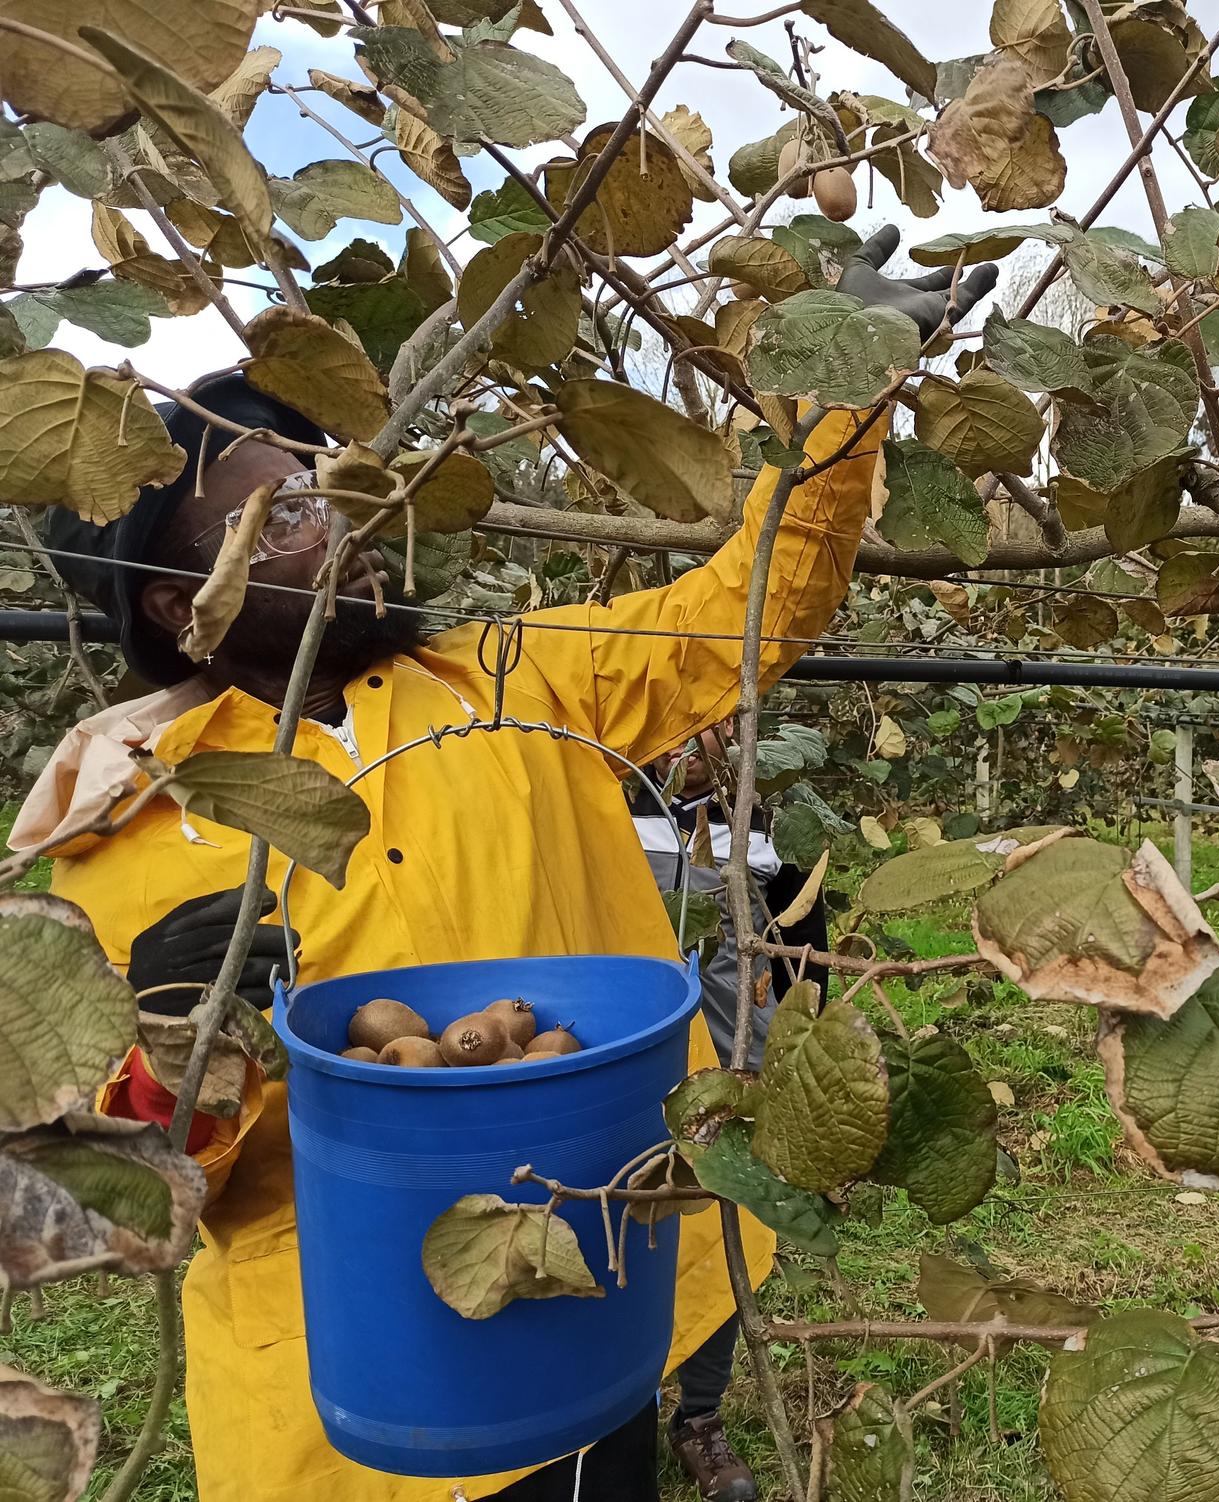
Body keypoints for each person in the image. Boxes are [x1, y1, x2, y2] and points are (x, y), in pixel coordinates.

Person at [9, 228, 996, 1502]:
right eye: (287, 511)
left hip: (583, 1276)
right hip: (344, 1385)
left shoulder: (514, 680)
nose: (344, 520)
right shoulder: (131, 828)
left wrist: (836, 394)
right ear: (172, 595)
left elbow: (744, 608)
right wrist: (173, 1041)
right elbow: (124, 1192)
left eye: (329, 482)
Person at [631, 730, 830, 1499]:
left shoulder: (766, 824)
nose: (692, 744)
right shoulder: (603, 798)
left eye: (709, 729)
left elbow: (801, 954)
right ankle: (631, 1400)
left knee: (724, 1230)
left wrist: (799, 1068)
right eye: (674, 731)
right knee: (636, 1221)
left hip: (728, 1072)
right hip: (634, 1063)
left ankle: (700, 1416)